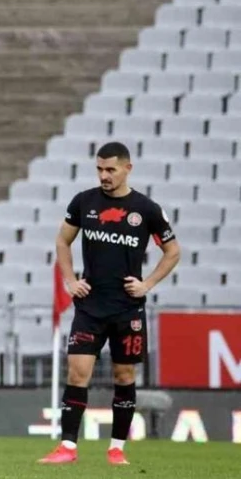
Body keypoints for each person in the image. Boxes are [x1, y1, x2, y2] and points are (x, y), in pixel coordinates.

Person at [39, 141, 180, 466]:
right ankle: (67, 448)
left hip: (127, 309)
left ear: (127, 168)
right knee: (77, 374)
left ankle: (117, 448)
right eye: (100, 169)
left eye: (111, 169)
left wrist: (147, 284)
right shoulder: (84, 202)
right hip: (90, 306)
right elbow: (63, 240)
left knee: (124, 375)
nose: (104, 175)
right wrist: (71, 281)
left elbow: (173, 252)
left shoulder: (146, 210)